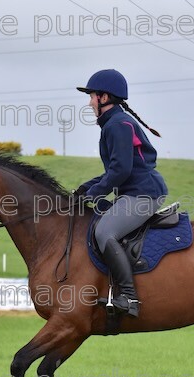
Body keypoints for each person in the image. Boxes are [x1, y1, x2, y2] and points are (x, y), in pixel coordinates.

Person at [74, 69, 169, 318]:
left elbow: (121, 171)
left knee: (104, 232)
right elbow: (116, 170)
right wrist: (86, 187)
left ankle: (129, 296)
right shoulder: (115, 123)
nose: (89, 102)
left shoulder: (117, 125)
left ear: (104, 97)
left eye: (92, 96)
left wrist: (94, 193)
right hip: (134, 190)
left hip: (143, 193)